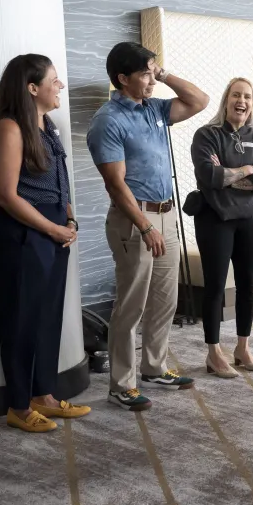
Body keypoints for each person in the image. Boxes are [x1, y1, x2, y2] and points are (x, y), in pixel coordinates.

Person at [87, 42, 208, 410]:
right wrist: (144, 226)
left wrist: (163, 72)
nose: (151, 79)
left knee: (164, 299)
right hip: (134, 219)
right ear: (122, 79)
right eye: (144, 73)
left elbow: (199, 100)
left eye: (152, 71)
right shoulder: (109, 120)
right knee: (131, 304)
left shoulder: (154, 108)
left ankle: (154, 367)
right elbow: (115, 184)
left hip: (167, 213)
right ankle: (121, 384)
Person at [0, 55, 91, 433]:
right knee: (21, 319)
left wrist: (69, 218)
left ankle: (43, 394)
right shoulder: (8, 128)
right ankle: (17, 405)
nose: (59, 86)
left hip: (52, 226)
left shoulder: (48, 124)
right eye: (54, 80)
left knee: (47, 314)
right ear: (32, 87)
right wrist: (53, 229)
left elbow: (61, 180)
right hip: (20, 231)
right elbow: (7, 195)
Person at [190, 78, 253, 378]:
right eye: (236, 95)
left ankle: (242, 347)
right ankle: (213, 352)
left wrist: (230, 174)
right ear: (226, 99)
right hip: (215, 219)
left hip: (250, 220)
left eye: (248, 96)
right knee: (215, 286)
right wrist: (246, 170)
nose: (242, 101)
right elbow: (208, 176)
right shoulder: (206, 135)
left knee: (248, 285)